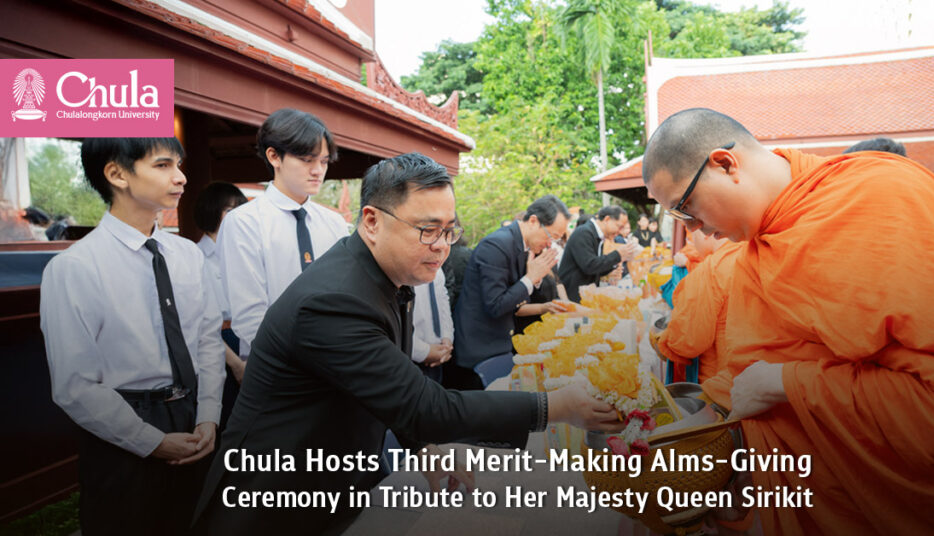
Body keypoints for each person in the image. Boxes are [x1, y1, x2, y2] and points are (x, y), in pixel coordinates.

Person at [193, 153, 622, 534]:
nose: (439, 247)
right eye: (426, 230)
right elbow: (424, 406)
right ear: (372, 221)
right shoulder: (334, 301)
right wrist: (554, 406)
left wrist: (422, 447)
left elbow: (387, 385)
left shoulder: (390, 276)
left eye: (448, 231)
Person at [642, 107, 934, 534]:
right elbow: (744, 381)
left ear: (726, 163)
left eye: (685, 208)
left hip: (920, 510)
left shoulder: (887, 200)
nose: (694, 229)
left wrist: (786, 383)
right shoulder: (756, 253)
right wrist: (677, 447)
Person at [40, 138, 224, 535]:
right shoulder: (74, 268)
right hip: (122, 428)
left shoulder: (187, 255)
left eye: (178, 164)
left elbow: (208, 341)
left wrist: (209, 416)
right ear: (116, 174)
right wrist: (151, 441)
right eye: (162, 165)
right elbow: (75, 385)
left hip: (195, 418)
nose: (180, 177)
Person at [217, 108, 349, 361]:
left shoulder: (334, 223)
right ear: (274, 156)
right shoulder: (244, 222)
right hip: (275, 368)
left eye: (323, 161)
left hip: (334, 365)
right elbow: (249, 316)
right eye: (307, 160)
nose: (318, 170)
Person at [452, 195, 571, 388]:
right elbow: (496, 305)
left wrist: (535, 280)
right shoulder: (497, 245)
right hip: (479, 351)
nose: (550, 245)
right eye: (551, 237)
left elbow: (518, 298)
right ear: (533, 221)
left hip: (502, 345)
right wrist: (530, 279)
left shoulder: (523, 246)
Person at [193, 181, 249, 425]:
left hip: (250, 340)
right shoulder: (195, 257)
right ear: (211, 210)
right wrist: (236, 364)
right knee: (226, 422)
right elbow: (201, 323)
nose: (238, 216)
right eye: (230, 210)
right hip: (218, 346)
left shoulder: (245, 252)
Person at [658, 230, 739, 385]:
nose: (692, 243)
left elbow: (686, 342)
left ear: (706, 231)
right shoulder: (750, 251)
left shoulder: (712, 270)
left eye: (692, 235)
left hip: (720, 385)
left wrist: (662, 340)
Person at [558, 205, 641, 302]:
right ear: (607, 219)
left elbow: (596, 267)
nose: (619, 232)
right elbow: (589, 266)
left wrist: (612, 269)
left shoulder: (598, 236)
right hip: (571, 297)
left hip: (585, 297)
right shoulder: (584, 232)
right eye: (619, 227)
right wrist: (618, 254)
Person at [411, 267, 454, 383]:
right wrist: (424, 352)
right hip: (410, 358)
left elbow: (443, 298)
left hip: (438, 352)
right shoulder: (402, 269)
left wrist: (447, 338)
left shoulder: (437, 267)